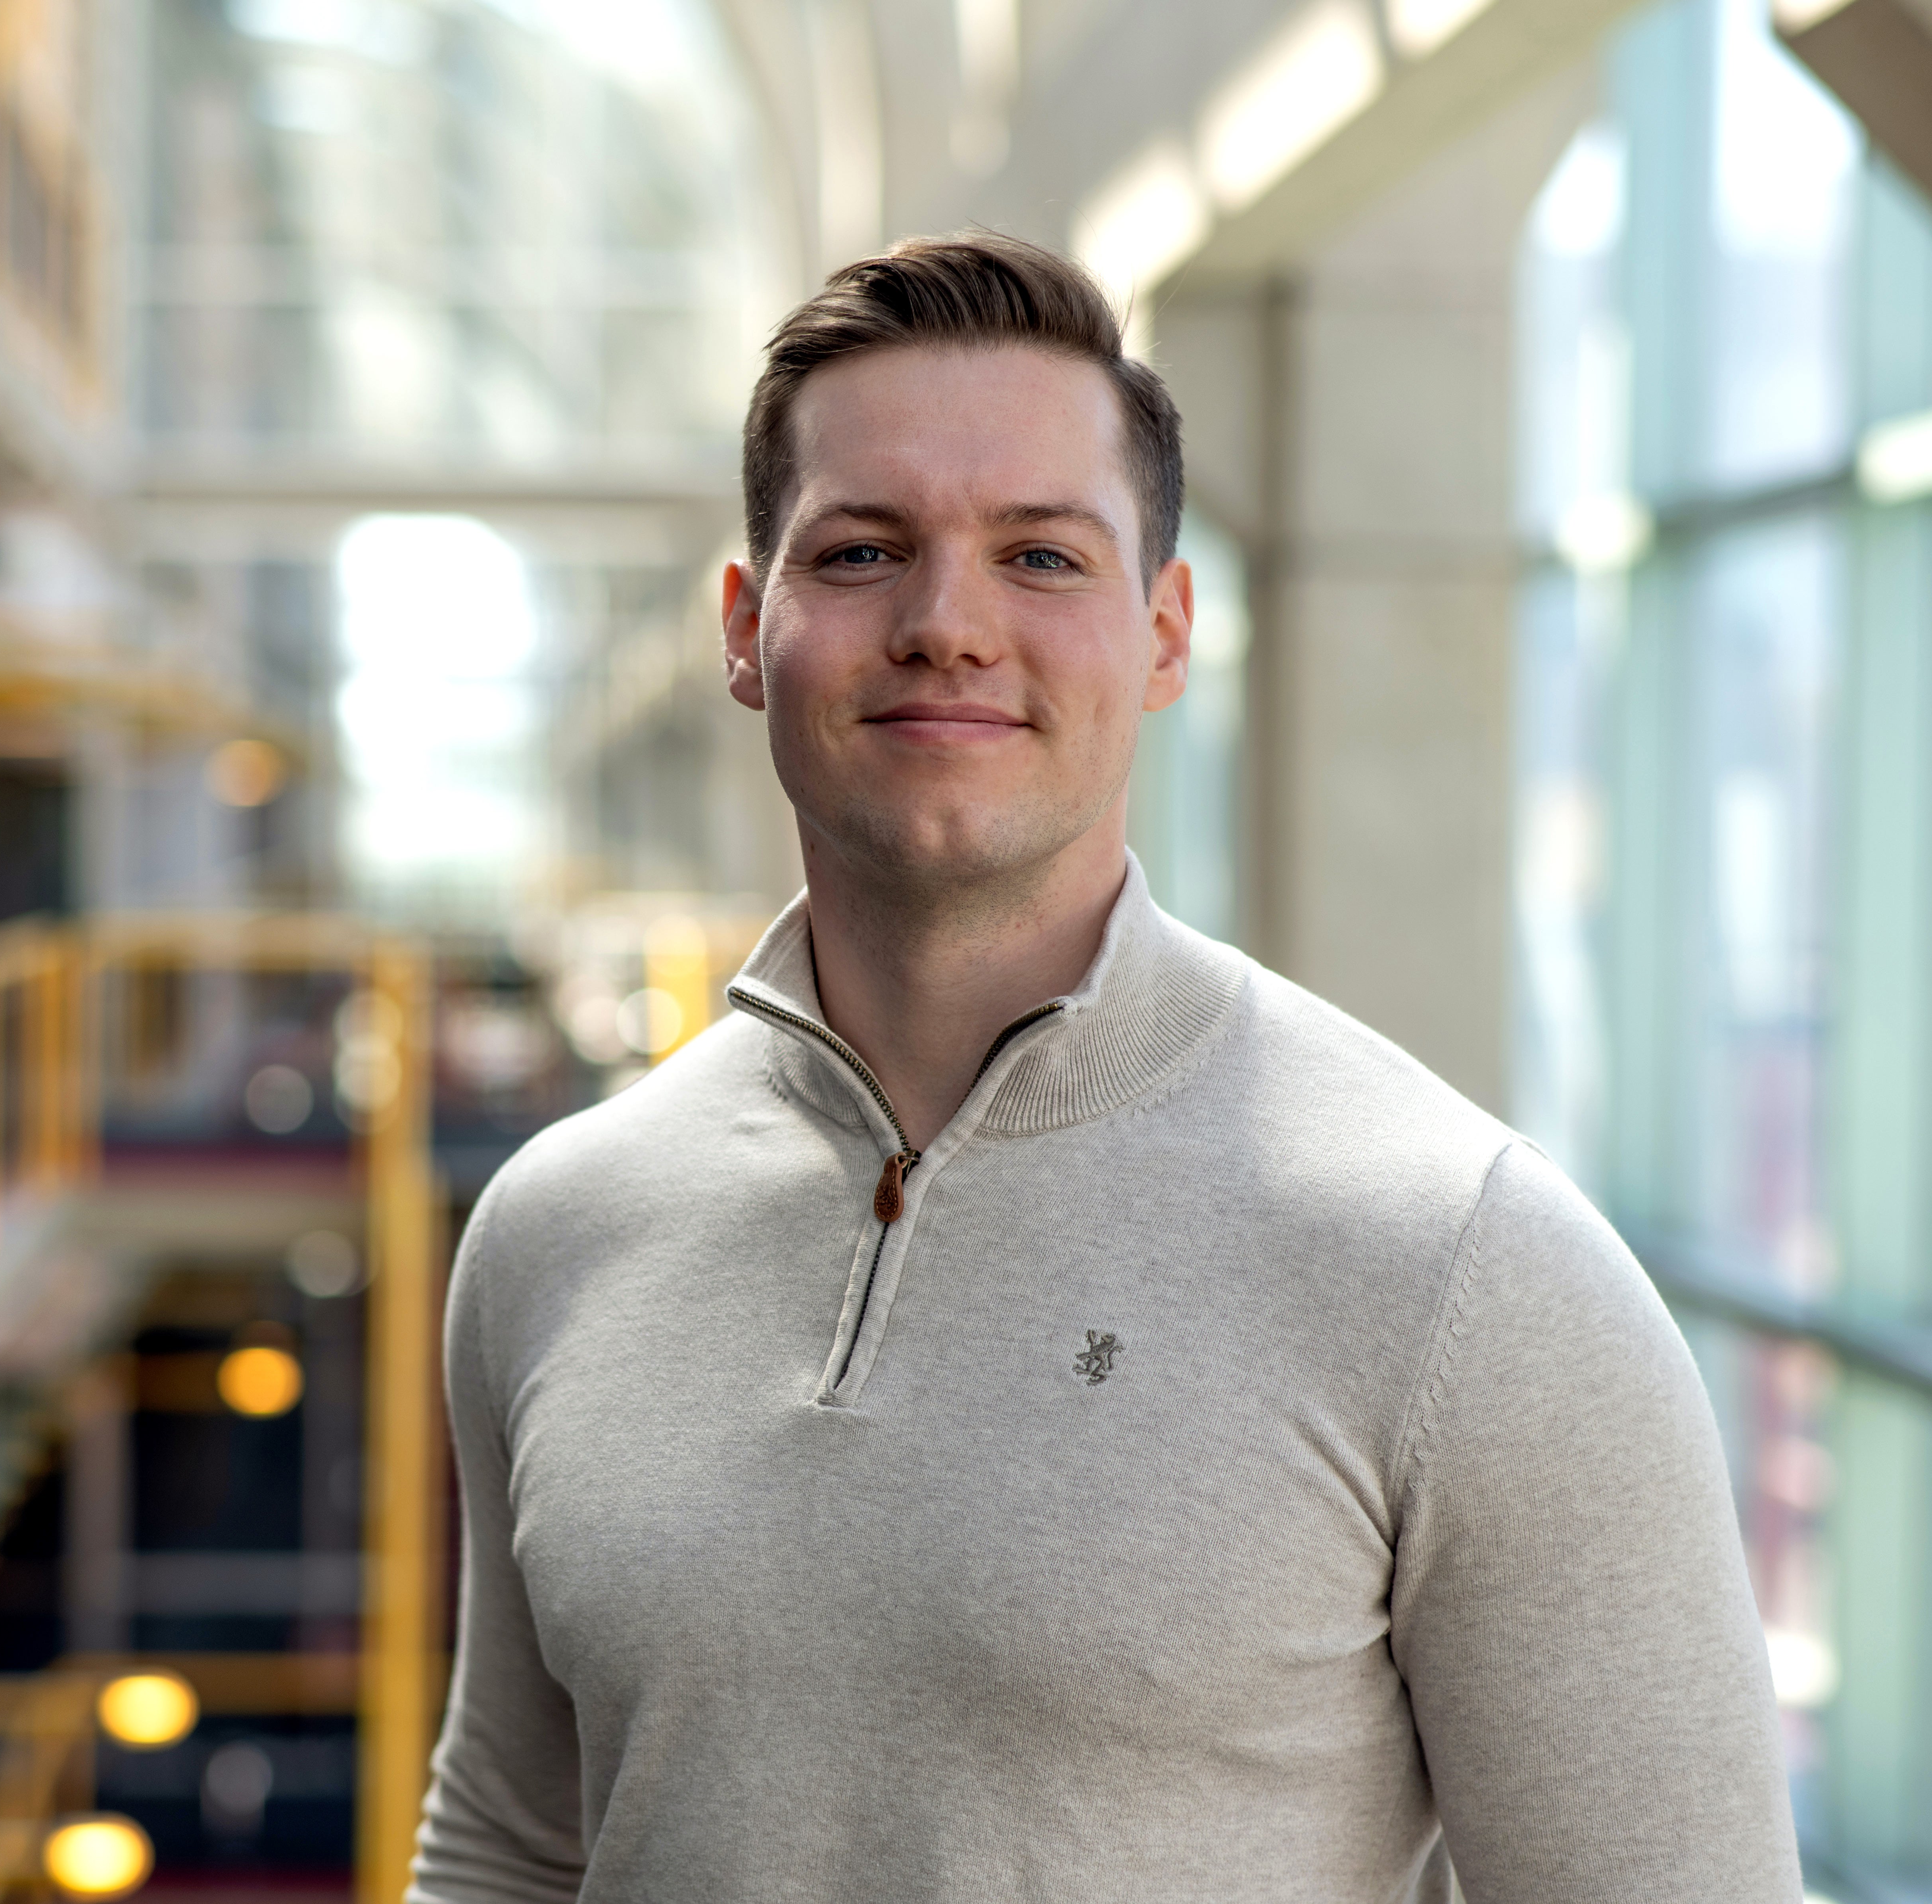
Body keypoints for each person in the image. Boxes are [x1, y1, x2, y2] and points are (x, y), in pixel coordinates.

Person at [407, 232, 1797, 1902]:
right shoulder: (556, 1231)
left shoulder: (1464, 1265)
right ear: (744, 629)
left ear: (1165, 634)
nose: (947, 625)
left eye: (1041, 557)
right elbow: (509, 1844)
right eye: (862, 551)